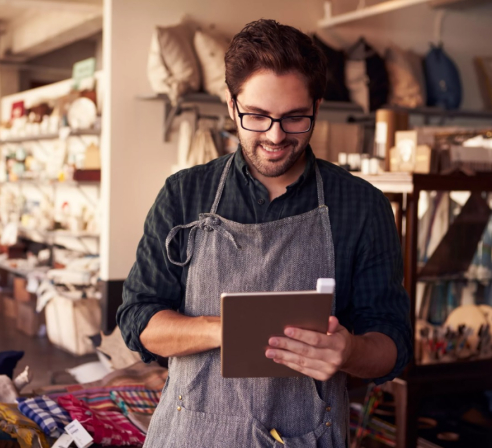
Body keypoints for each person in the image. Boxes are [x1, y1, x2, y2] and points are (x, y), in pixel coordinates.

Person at [117, 19, 412, 448]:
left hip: (308, 437)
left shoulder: (362, 206)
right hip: (191, 435)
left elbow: (393, 345)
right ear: (231, 105)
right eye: (257, 116)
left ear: (317, 105)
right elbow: (137, 320)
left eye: (295, 118)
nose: (275, 136)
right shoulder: (184, 194)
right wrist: (227, 330)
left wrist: (349, 352)